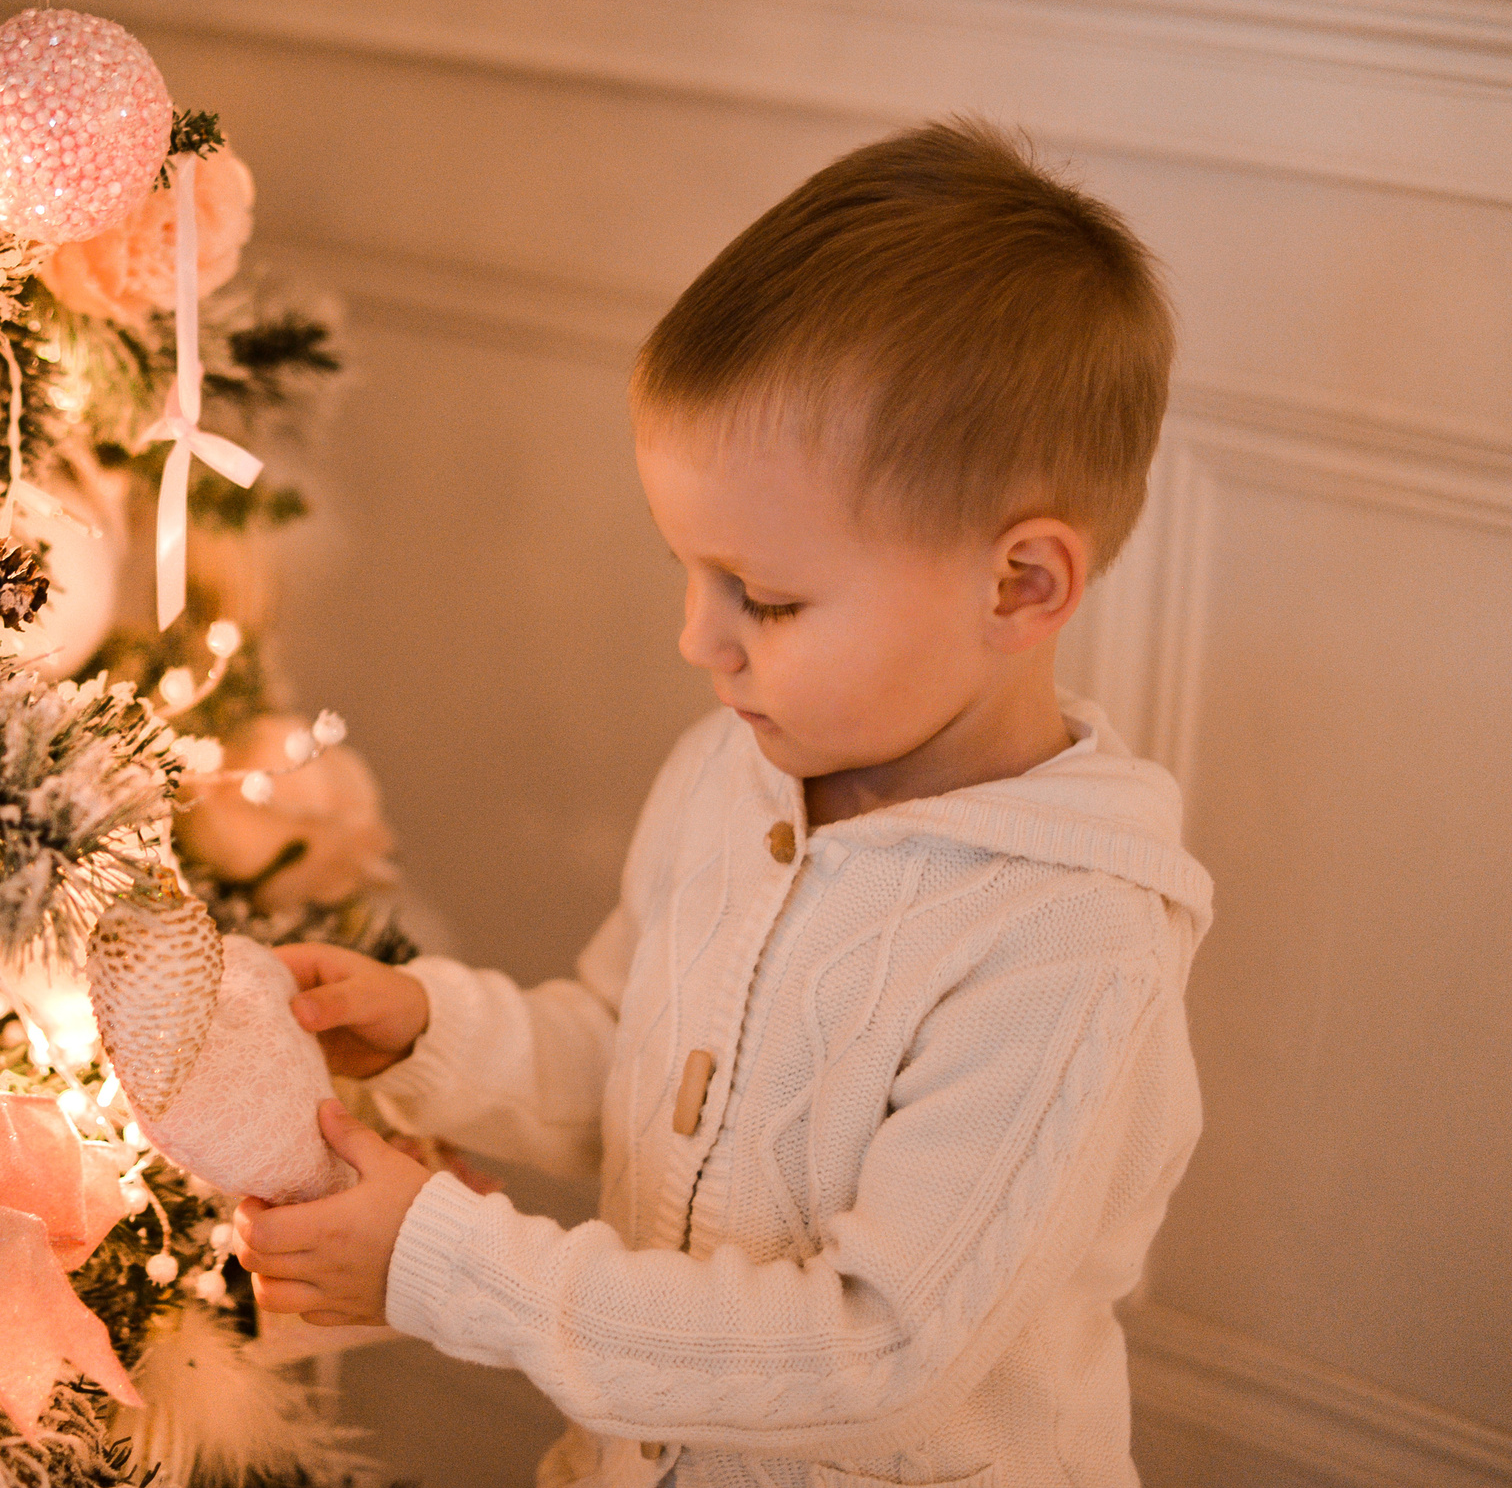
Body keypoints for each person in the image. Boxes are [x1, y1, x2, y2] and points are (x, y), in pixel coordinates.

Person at [231, 120, 1214, 1488]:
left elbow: (875, 1352)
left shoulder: (1067, 941)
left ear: (1020, 585)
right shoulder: (731, 776)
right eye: (690, 571)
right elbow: (637, 1066)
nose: (700, 637)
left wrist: (454, 1266)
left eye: (768, 597)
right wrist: (429, 1031)